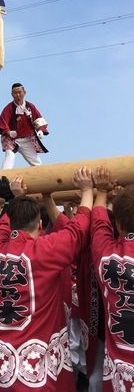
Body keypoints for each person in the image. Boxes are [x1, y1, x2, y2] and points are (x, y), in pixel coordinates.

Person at [0, 166, 94, 391]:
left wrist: (15, 200)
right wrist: (88, 190)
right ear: (40, 225)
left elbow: (3, 227)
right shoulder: (43, 250)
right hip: (34, 368)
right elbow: (77, 231)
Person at [90, 166, 134, 391]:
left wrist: (101, 190)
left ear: (117, 224)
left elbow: (98, 223)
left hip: (120, 373)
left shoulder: (107, 256)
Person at [0, 82, 49, 168]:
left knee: (37, 163)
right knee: (9, 156)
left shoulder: (30, 106)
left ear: (24, 93)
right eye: (15, 93)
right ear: (12, 95)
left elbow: (38, 119)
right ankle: (3, 178)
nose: (18, 95)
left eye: (19, 92)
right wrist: (9, 132)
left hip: (27, 139)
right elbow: (3, 122)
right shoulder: (8, 108)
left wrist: (40, 130)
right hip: (12, 140)